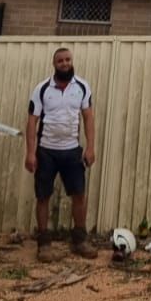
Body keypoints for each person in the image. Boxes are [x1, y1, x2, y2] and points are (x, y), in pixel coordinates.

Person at [25, 45, 98, 258]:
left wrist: (90, 147)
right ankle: (44, 244)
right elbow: (32, 122)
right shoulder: (42, 89)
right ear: (54, 64)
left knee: (78, 195)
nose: (65, 63)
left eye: (68, 60)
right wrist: (31, 153)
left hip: (72, 151)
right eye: (60, 61)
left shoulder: (82, 87)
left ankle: (79, 240)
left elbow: (88, 118)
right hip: (46, 151)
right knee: (43, 196)